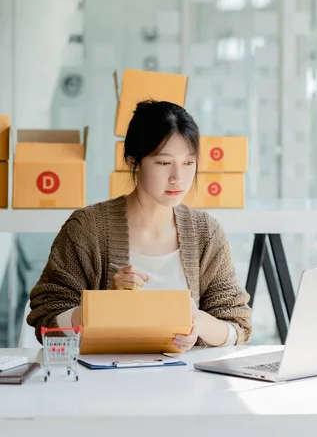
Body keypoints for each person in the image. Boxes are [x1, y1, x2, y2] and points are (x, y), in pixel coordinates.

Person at [28, 100, 252, 350]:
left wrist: (197, 323)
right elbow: (45, 322)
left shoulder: (206, 234)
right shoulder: (86, 229)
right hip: (101, 385)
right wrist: (104, 306)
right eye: (164, 163)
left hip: (187, 384)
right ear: (134, 161)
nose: (178, 177)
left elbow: (237, 327)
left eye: (188, 163)